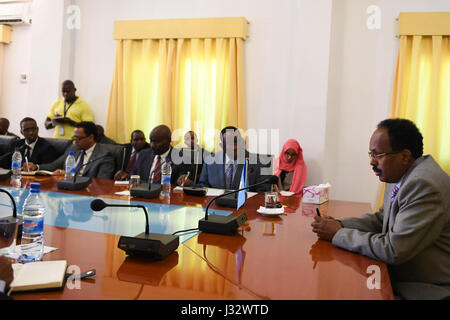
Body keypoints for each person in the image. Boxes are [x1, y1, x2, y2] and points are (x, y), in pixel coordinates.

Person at [311, 118, 450, 299]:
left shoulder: (423, 185)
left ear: (404, 156)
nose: (372, 162)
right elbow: (381, 219)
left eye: (378, 155)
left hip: (425, 287)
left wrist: (338, 234)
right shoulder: (403, 174)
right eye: (371, 154)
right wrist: (340, 224)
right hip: (398, 276)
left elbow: (393, 249)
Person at [183, 126, 270, 192]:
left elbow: (262, 195)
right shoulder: (210, 162)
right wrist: (189, 184)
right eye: (229, 143)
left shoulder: (258, 164)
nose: (235, 147)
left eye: (237, 142)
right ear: (222, 146)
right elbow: (203, 188)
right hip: (216, 209)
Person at [24, 121, 115, 179]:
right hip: (66, 190)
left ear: (91, 137)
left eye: (79, 139)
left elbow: (101, 183)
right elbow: (54, 165)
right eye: (74, 138)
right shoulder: (73, 149)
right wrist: (36, 167)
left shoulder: (104, 156)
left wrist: (71, 176)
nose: (75, 142)